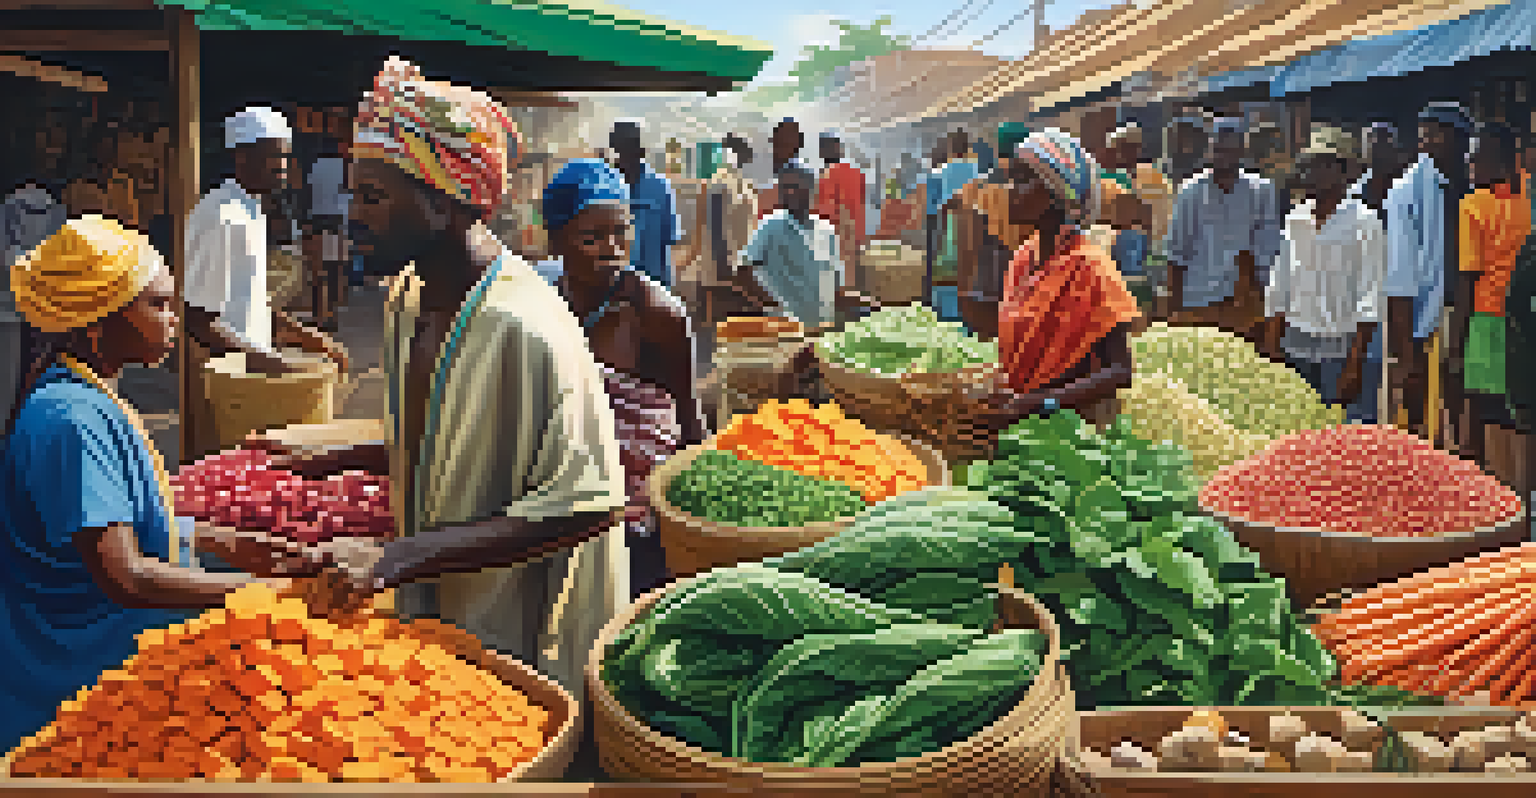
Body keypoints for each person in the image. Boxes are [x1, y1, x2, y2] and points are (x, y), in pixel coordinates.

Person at [275, 58, 629, 702]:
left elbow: (589, 503)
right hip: (435, 624)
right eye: (355, 194)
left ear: (442, 206)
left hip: (523, 637)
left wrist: (396, 557)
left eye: (373, 197)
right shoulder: (408, 296)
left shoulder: (525, 325)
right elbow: (457, 434)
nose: (353, 214)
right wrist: (350, 454)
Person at [0, 215, 322, 753]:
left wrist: (222, 540)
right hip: (75, 688)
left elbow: (108, 521)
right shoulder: (71, 419)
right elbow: (124, 575)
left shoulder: (84, 395)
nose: (175, 319)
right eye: (158, 305)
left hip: (97, 667)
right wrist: (275, 593)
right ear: (97, 321)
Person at [542, 158, 706, 597]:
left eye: (621, 232)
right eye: (591, 237)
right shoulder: (544, 306)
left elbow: (688, 423)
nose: (611, 248)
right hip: (558, 513)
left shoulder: (656, 315)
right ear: (556, 239)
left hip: (636, 522)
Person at [182, 106, 344, 460]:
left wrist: (307, 337)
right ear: (242, 157)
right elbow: (197, 317)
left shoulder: (251, 210)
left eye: (285, 158)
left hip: (254, 375)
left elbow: (249, 298)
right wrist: (269, 364)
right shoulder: (220, 216)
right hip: (230, 385)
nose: (282, 169)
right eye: (273, 158)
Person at [995, 129, 1140, 427]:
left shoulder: (1091, 266)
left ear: (1055, 194)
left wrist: (1044, 402)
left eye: (1023, 180)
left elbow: (1120, 370)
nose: (1011, 189)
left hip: (1072, 430)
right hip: (1020, 420)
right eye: (1012, 179)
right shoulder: (1024, 258)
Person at [1264, 126, 1386, 422]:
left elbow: (1371, 296)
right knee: (1301, 438)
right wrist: (1271, 343)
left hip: (1344, 350)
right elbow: (1280, 284)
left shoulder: (1365, 222)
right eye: (1308, 166)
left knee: (1349, 442)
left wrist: (1355, 362)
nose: (1310, 174)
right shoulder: (1296, 220)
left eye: (1321, 165)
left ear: (1342, 172)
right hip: (1297, 346)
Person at [1385, 102, 1470, 444]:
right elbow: (1401, 274)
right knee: (1429, 420)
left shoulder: (1473, 180)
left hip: (1478, 311)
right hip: (1433, 317)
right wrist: (1406, 352)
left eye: (1434, 135)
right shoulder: (1407, 191)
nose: (1426, 143)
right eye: (1425, 136)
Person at [1166, 117, 1283, 352]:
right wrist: (1174, 309)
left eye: (1230, 149)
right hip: (1199, 301)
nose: (1222, 155)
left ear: (1241, 151)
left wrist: (1264, 303)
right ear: (1209, 149)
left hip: (1244, 302)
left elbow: (1268, 250)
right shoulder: (1190, 192)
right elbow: (1176, 254)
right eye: (1217, 149)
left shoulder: (1261, 190)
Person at [1454, 121, 1528, 466]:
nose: (1469, 167)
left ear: (1497, 162)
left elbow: (1468, 277)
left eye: (1475, 160)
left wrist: (1456, 345)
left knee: (1485, 412)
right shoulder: (1528, 199)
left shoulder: (1473, 205)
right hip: (1524, 320)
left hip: (1486, 320)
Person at [737, 163, 879, 330]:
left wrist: (869, 304)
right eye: (785, 187)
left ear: (813, 189)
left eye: (796, 187)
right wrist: (775, 307)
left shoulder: (826, 230)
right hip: (786, 333)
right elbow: (743, 272)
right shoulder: (771, 225)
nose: (789, 192)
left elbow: (835, 293)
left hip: (822, 330)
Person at [1, 180, 68, 432]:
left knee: (19, 369)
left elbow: (6, 257)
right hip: (45, 304)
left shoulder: (9, 209)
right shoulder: (56, 211)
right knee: (40, 362)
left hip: (20, 305)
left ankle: (18, 417)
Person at [955, 166, 1028, 341]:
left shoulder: (981, 185)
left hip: (993, 255)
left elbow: (973, 227)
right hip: (1015, 255)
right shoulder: (1022, 189)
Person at [608, 121, 680, 291]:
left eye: (632, 148)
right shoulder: (603, 186)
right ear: (615, 150)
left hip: (652, 286)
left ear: (641, 150)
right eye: (622, 149)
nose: (627, 155)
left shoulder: (661, 188)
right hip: (611, 288)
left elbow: (669, 241)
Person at [306, 136, 350, 332]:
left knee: (318, 273)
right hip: (338, 221)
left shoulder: (315, 166)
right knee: (334, 270)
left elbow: (308, 192)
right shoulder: (345, 168)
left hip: (317, 219)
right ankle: (331, 314)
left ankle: (318, 315)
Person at [816, 132, 867, 293]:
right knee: (852, 283)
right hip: (856, 235)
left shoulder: (827, 175)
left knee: (835, 286)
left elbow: (825, 211)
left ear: (822, 151)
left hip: (835, 238)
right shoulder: (857, 173)